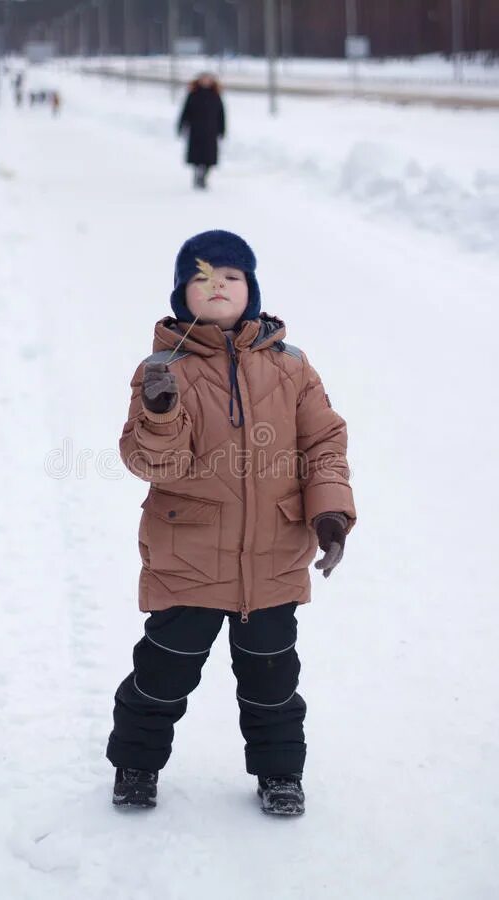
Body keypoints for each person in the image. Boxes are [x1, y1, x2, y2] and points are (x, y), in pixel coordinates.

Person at [106, 230, 356, 816]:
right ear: (181, 295)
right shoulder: (162, 370)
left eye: (230, 277)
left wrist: (330, 511)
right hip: (188, 554)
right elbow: (148, 462)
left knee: (272, 681)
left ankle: (280, 775)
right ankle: (136, 764)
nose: (216, 286)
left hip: (273, 555)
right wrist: (161, 415)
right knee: (162, 674)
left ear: (252, 290)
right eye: (201, 277)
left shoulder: (292, 367)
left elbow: (323, 442)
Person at [177, 73, 225, 190]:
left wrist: (222, 129)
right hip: (196, 130)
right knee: (197, 157)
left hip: (210, 131)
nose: (206, 81)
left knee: (209, 158)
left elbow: (221, 114)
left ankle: (203, 176)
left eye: (208, 79)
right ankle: (198, 175)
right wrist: (182, 126)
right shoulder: (193, 94)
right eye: (204, 79)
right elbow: (185, 112)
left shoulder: (215, 95)